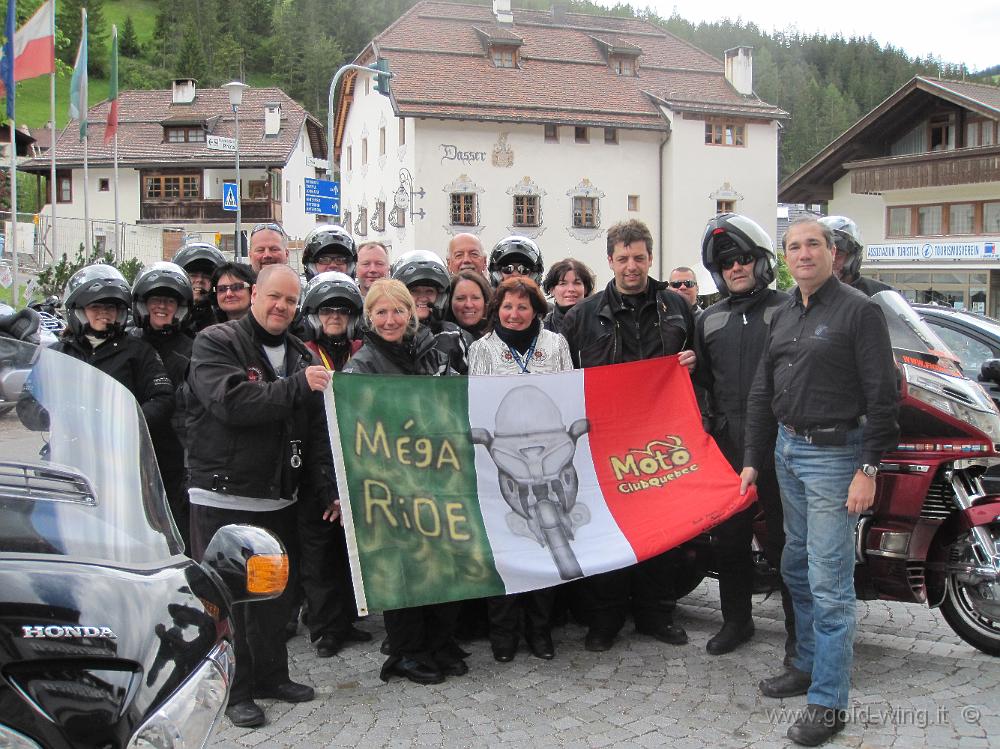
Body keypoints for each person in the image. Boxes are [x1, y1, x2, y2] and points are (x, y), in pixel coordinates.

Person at [741, 218, 899, 747]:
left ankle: (829, 702)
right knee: (795, 564)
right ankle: (806, 664)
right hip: (788, 452)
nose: (803, 253)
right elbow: (764, 391)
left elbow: (884, 397)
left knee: (830, 584)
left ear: (833, 253)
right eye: (794, 246)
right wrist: (753, 459)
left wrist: (869, 468)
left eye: (813, 244)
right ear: (785, 257)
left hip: (837, 459)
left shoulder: (860, 311)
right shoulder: (784, 311)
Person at [186, 264, 335, 728]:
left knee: (276, 597)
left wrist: (328, 488)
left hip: (278, 498)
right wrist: (296, 385)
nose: (281, 307)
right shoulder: (217, 342)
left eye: (291, 301)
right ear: (254, 294)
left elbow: (314, 435)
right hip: (224, 495)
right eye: (274, 297)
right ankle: (236, 689)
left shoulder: (297, 352)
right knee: (229, 602)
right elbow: (231, 403)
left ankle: (273, 675)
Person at [561, 219, 696, 652]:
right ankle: (606, 619)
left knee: (663, 528)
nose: (632, 266)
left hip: (663, 438)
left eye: (639, 257)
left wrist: (692, 366)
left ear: (650, 258)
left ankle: (657, 613)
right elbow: (561, 374)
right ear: (610, 261)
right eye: (623, 258)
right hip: (607, 439)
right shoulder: (584, 314)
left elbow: (703, 366)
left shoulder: (676, 307)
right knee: (608, 529)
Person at [344, 279, 465, 684]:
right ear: (370, 318)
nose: (391, 319)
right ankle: (407, 650)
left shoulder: (432, 350)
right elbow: (353, 425)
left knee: (443, 562)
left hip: (437, 474)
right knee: (404, 567)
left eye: (398, 311)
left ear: (412, 313)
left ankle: (440, 641)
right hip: (392, 481)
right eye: (381, 312)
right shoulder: (361, 365)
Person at [694, 213, 795, 659]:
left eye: (744, 259)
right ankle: (736, 621)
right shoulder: (709, 319)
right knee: (730, 539)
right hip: (728, 445)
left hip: (779, 441)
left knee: (785, 540)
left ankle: (800, 629)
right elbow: (700, 382)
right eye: (727, 262)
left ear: (761, 262)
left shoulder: (788, 309)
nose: (736, 268)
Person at [467, 276, 572, 662]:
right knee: (504, 548)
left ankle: (540, 631)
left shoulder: (555, 345)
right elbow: (475, 402)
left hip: (547, 459)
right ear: (497, 310)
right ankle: (504, 634)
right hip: (502, 461)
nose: (514, 314)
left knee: (545, 544)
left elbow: (569, 397)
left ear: (536, 311)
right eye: (507, 307)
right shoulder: (482, 349)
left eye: (523, 307)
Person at [296, 271, 371, 658]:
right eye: (327, 311)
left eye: (342, 311)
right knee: (319, 552)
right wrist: (326, 485)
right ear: (313, 315)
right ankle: (325, 628)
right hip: (315, 462)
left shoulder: (364, 351)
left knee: (348, 550)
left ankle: (346, 620)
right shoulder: (302, 354)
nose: (335, 318)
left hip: (357, 458)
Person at [130, 262, 195, 550]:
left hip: (175, 458)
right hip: (130, 450)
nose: (162, 307)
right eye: (156, 300)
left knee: (178, 536)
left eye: (169, 301)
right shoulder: (127, 344)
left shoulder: (195, 348)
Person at [391, 250, 473, 373]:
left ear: (440, 297)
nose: (423, 297)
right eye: (414, 291)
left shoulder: (455, 336)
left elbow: (472, 382)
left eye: (429, 291)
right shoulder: (389, 335)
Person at [818, 215, 893, 297]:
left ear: (853, 258)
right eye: (823, 255)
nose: (831, 260)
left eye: (838, 254)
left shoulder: (881, 293)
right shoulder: (806, 294)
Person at [172, 242, 227, 333]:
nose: (200, 280)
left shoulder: (225, 319)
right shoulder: (166, 315)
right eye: (193, 275)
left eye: (207, 276)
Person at [542, 258, 595, 333]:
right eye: (563, 284)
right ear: (552, 290)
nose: (571, 289)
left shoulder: (600, 324)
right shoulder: (542, 328)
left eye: (577, 283)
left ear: (585, 289)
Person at [447, 270, 492, 339]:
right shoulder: (437, 338)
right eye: (461, 298)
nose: (468, 305)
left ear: (485, 301)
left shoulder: (499, 336)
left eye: (475, 298)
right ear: (449, 301)